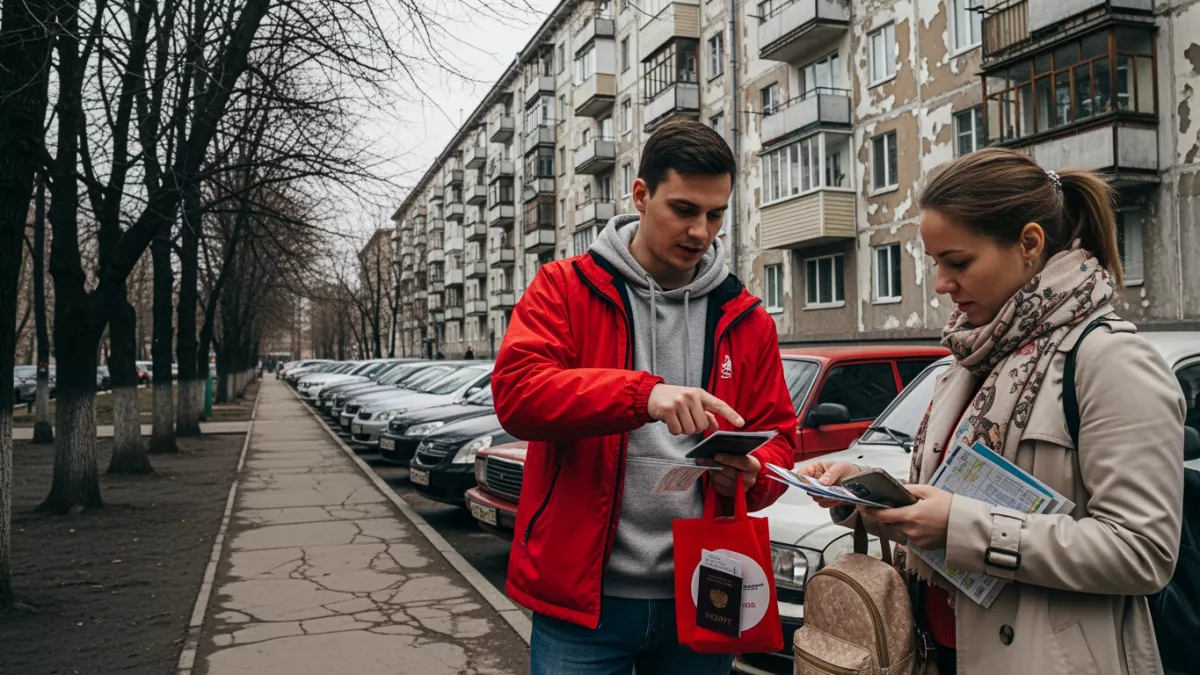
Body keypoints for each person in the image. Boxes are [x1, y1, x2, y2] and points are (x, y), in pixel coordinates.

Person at [802, 148, 1184, 675]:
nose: (941, 284)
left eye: (958, 262)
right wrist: (868, 492)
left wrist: (959, 527)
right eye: (936, 263)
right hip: (941, 652)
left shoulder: (1110, 362)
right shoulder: (971, 358)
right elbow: (955, 500)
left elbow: (1141, 552)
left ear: (1029, 243)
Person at [492, 120, 798, 675]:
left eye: (716, 214)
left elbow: (780, 440)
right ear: (640, 195)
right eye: (684, 210)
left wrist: (753, 473)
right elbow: (517, 395)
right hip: (585, 604)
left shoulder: (747, 318)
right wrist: (643, 395)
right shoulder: (564, 287)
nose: (701, 231)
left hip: (709, 590)